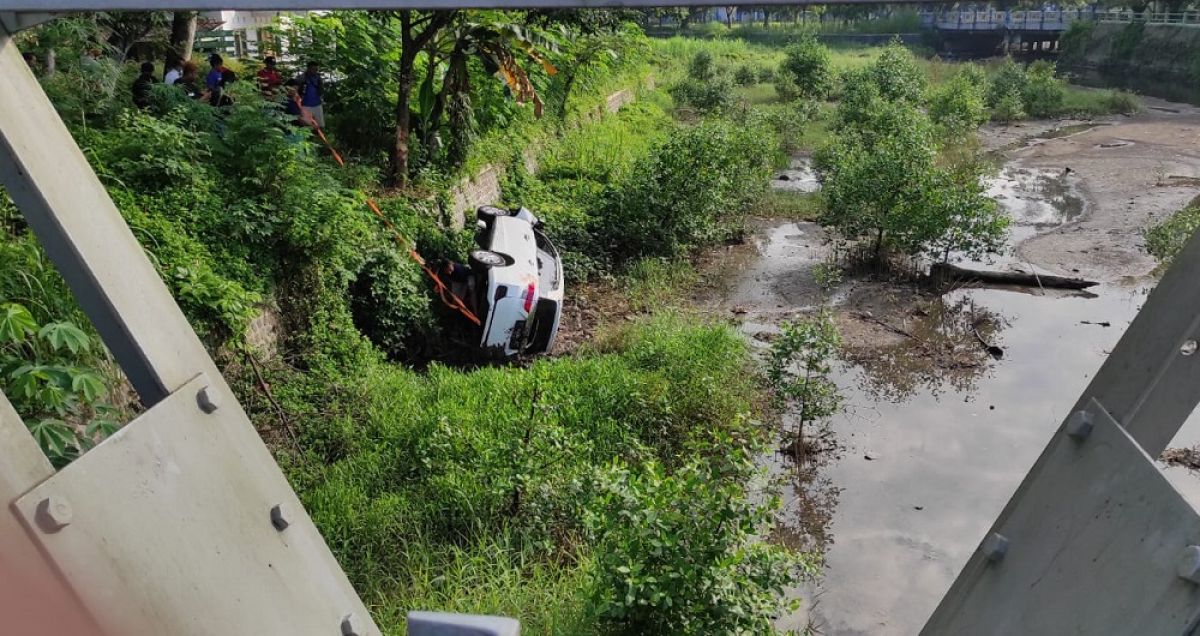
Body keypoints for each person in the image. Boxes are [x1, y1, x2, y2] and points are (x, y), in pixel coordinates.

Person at [300, 61, 325, 128]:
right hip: (306, 105)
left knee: (320, 125)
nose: (315, 71)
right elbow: (298, 90)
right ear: (308, 68)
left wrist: (321, 97)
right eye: (313, 69)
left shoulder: (318, 77)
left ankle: (319, 136)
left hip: (317, 104)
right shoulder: (302, 77)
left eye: (316, 69)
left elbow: (321, 89)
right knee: (306, 126)